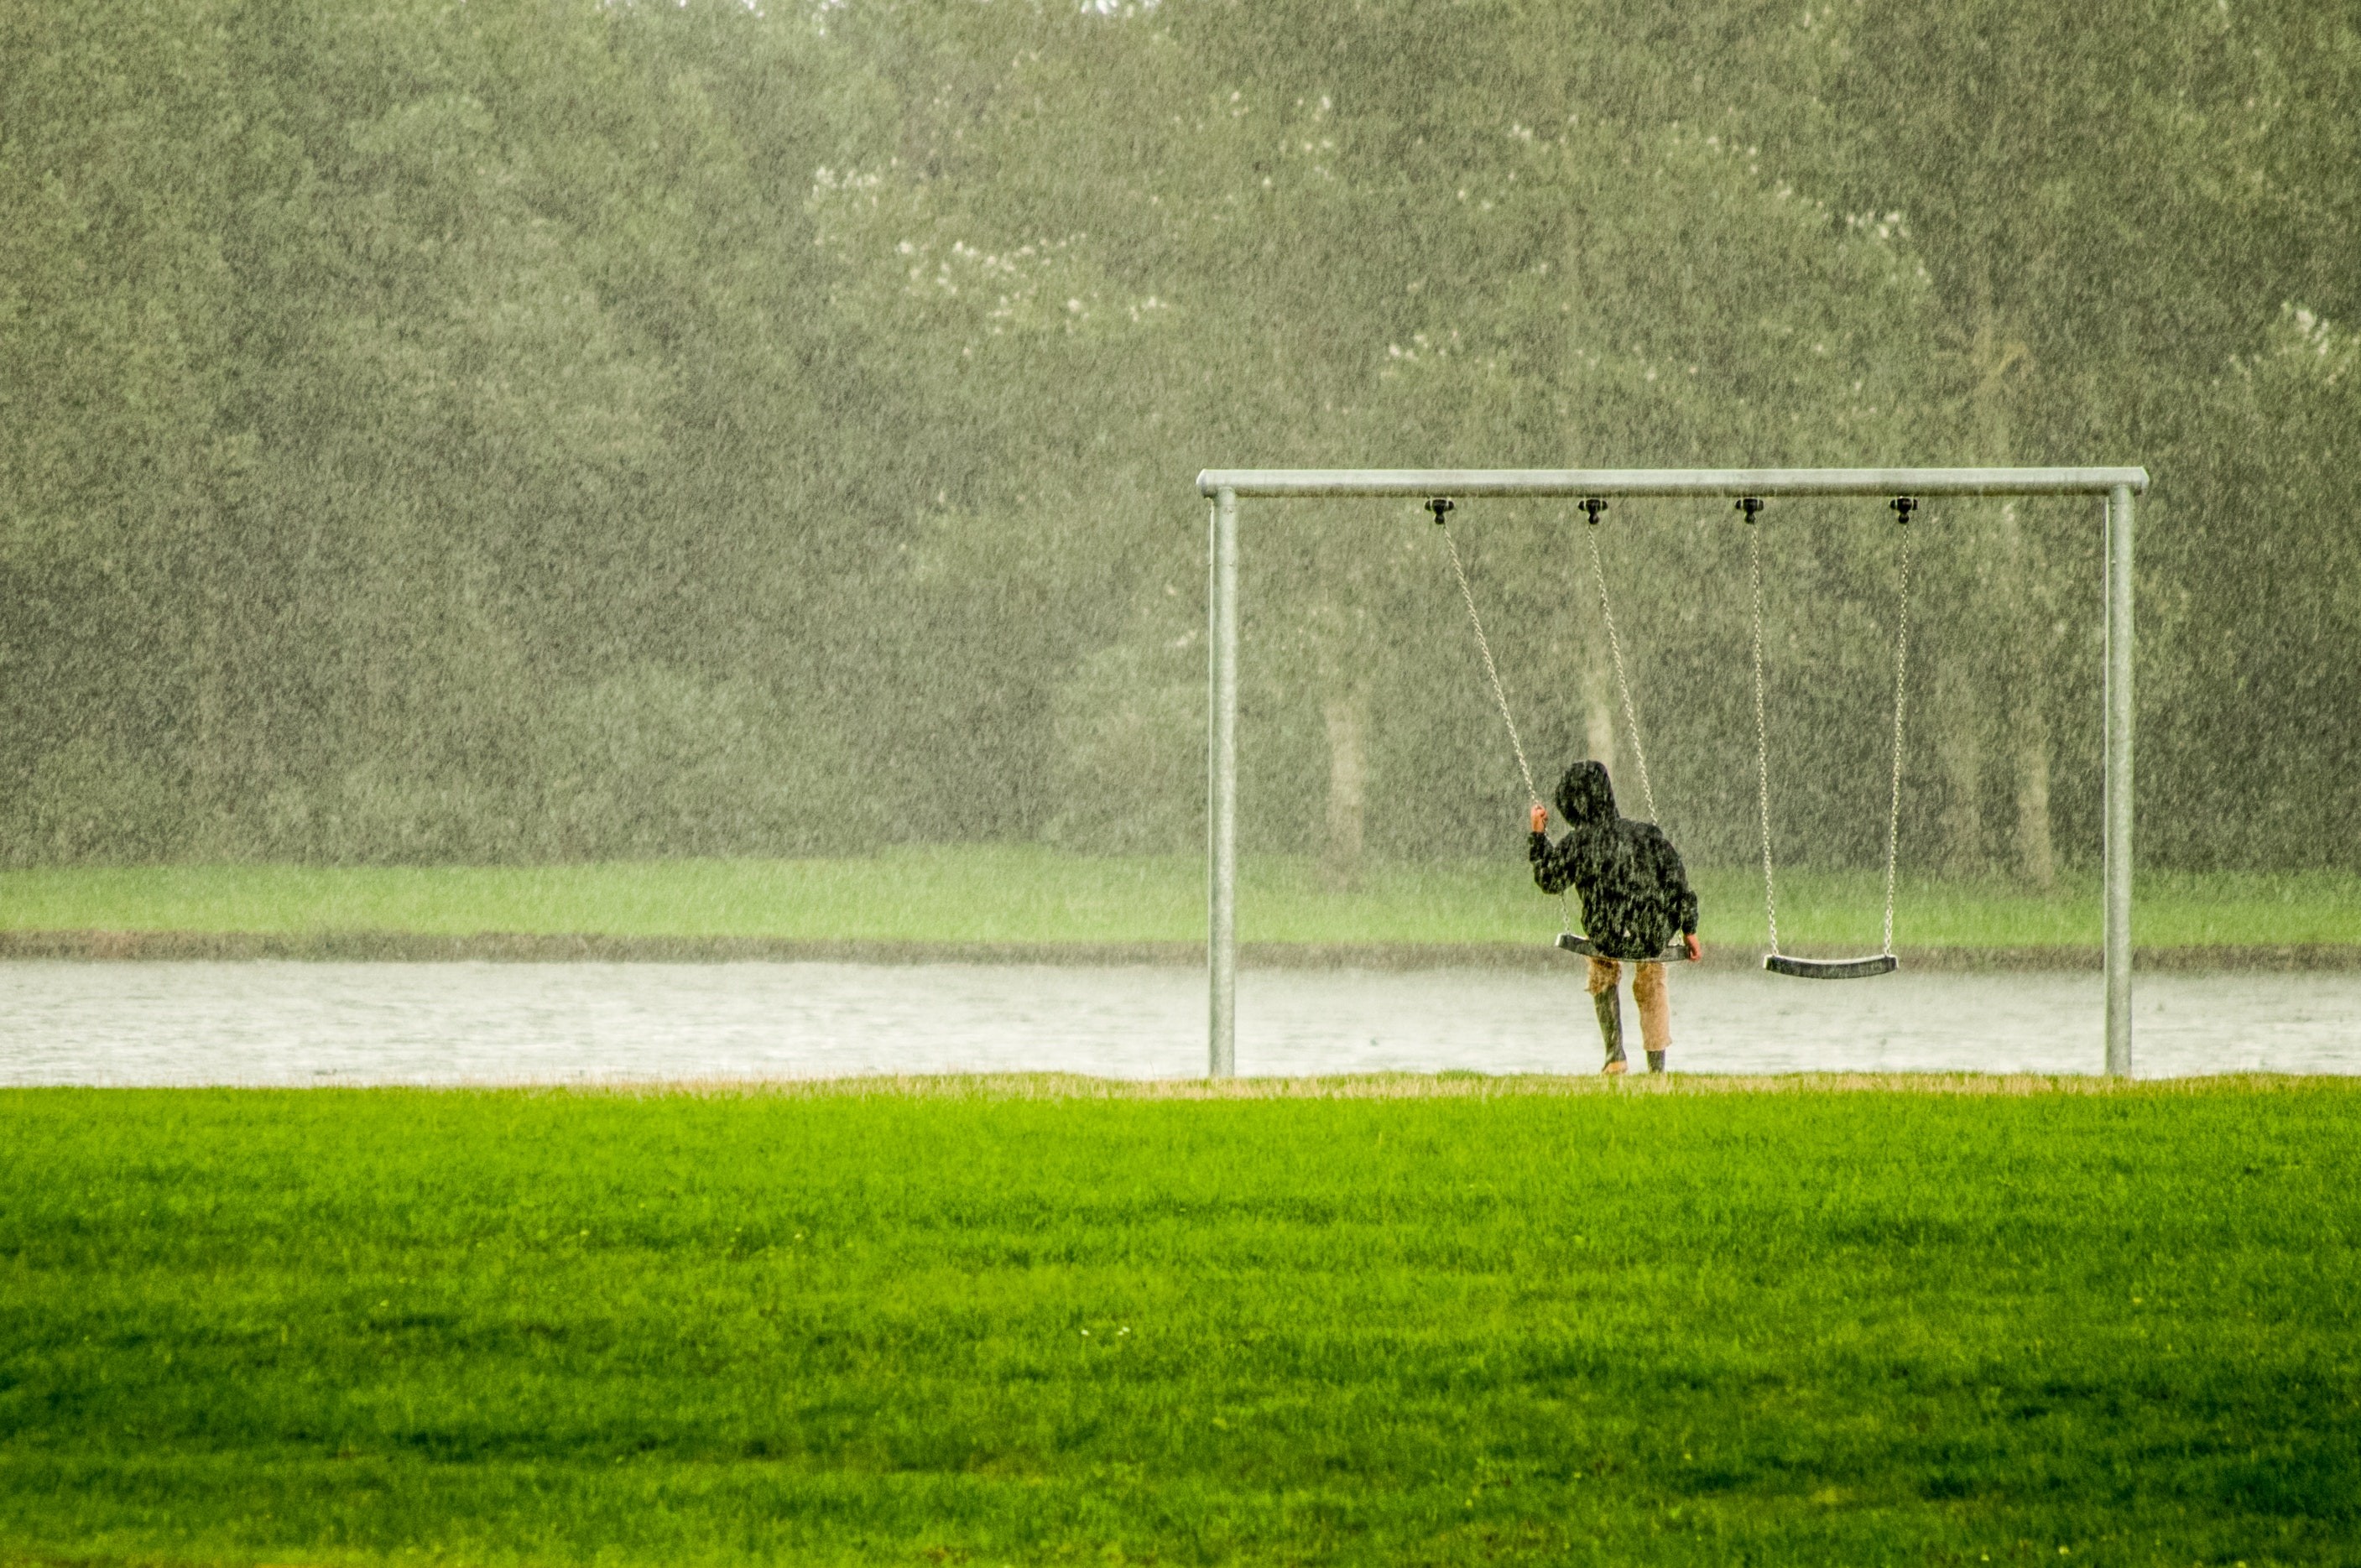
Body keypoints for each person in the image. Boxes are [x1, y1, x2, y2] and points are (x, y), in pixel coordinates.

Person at [1528, 760, 1701, 1075]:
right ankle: (1657, 1067)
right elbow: (1676, 880)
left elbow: (1548, 880)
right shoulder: (1646, 835)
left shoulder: (1579, 843)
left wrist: (1539, 837)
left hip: (1606, 932)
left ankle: (1615, 1054)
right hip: (1651, 932)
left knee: (1602, 965)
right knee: (1652, 977)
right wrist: (1689, 929)